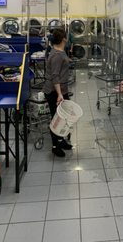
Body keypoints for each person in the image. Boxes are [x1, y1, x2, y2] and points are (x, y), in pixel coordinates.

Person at [42, 28, 72, 157]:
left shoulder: (59, 52)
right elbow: (55, 76)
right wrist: (60, 94)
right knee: (56, 118)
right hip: (54, 91)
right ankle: (55, 146)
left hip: (61, 89)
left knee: (64, 117)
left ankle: (61, 141)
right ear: (64, 39)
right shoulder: (56, 55)